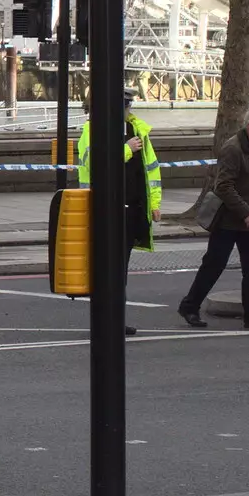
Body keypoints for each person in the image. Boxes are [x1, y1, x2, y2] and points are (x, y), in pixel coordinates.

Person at [178, 107, 249, 330]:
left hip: (248, 219)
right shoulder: (233, 148)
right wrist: (246, 212)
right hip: (229, 220)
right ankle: (190, 306)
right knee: (214, 265)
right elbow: (223, 186)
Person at [79, 89, 162, 337]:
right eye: (126, 107)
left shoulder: (138, 131)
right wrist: (125, 149)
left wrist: (155, 204)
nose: (130, 111)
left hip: (131, 210)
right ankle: (108, 320)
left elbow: (151, 171)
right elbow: (95, 164)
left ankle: (116, 319)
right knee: (110, 270)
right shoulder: (92, 130)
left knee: (119, 270)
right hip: (106, 211)